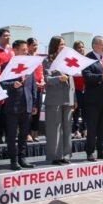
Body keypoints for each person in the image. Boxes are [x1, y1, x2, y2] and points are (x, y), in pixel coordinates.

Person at [0, 40, 37, 171]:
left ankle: (22, 158)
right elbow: (1, 84)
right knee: (11, 135)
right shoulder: (6, 66)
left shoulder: (29, 66)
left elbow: (33, 86)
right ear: (14, 50)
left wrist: (34, 103)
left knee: (24, 134)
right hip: (13, 105)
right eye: (23, 50)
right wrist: (12, 85)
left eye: (26, 50)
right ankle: (13, 160)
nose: (25, 52)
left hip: (27, 104)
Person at [81, 35, 103, 161]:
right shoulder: (87, 59)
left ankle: (102, 150)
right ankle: (90, 151)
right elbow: (87, 76)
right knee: (92, 126)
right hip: (93, 99)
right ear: (95, 45)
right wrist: (101, 77)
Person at [42, 36, 75, 165]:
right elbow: (47, 79)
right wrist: (58, 79)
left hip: (67, 98)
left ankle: (66, 155)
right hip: (54, 99)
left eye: (64, 44)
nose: (63, 46)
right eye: (61, 44)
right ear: (55, 45)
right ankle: (55, 156)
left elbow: (71, 81)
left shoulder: (68, 60)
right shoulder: (47, 60)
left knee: (67, 129)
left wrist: (74, 99)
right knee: (54, 130)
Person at [27, 37, 44, 142]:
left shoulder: (39, 58)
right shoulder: (26, 58)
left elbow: (41, 72)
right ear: (28, 46)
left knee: (37, 111)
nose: (35, 47)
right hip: (29, 89)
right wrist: (34, 83)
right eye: (33, 45)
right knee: (29, 112)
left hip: (39, 89)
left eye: (36, 45)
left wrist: (42, 81)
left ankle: (35, 132)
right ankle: (27, 133)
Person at [71, 40, 86, 138]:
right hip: (76, 88)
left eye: (82, 47)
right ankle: (76, 130)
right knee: (76, 110)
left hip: (86, 87)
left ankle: (85, 129)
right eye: (78, 47)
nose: (81, 49)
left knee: (86, 110)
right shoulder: (72, 59)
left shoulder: (86, 59)